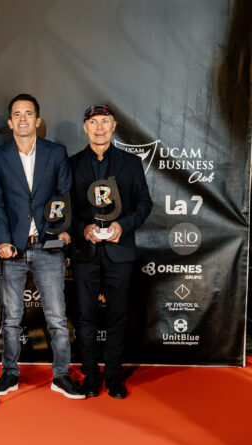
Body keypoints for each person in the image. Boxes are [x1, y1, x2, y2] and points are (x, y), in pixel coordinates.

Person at [0, 93, 84, 399]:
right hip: (13, 248)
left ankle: (61, 375)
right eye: (17, 114)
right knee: (11, 318)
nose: (23, 119)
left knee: (56, 318)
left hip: (48, 246)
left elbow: (65, 196)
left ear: (38, 121)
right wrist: (2, 240)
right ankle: (10, 373)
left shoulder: (55, 153)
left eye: (28, 113)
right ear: (10, 122)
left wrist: (63, 231)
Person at [71, 104, 152, 399]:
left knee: (118, 316)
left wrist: (122, 226)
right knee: (85, 316)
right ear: (85, 128)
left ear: (114, 125)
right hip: (86, 252)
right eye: (93, 122)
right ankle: (91, 375)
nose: (99, 127)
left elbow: (144, 203)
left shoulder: (130, 163)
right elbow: (64, 207)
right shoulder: (72, 163)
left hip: (121, 251)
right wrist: (83, 229)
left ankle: (114, 375)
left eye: (105, 121)